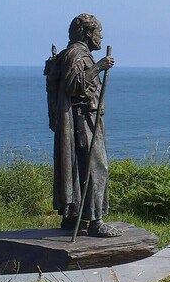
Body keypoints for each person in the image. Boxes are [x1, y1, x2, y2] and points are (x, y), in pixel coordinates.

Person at [48, 13, 122, 237]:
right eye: (98, 32)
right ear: (88, 33)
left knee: (82, 167)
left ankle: (75, 216)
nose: (101, 37)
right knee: (97, 167)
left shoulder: (74, 53)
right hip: (83, 119)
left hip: (83, 118)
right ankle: (95, 221)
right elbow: (73, 85)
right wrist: (99, 66)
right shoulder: (77, 54)